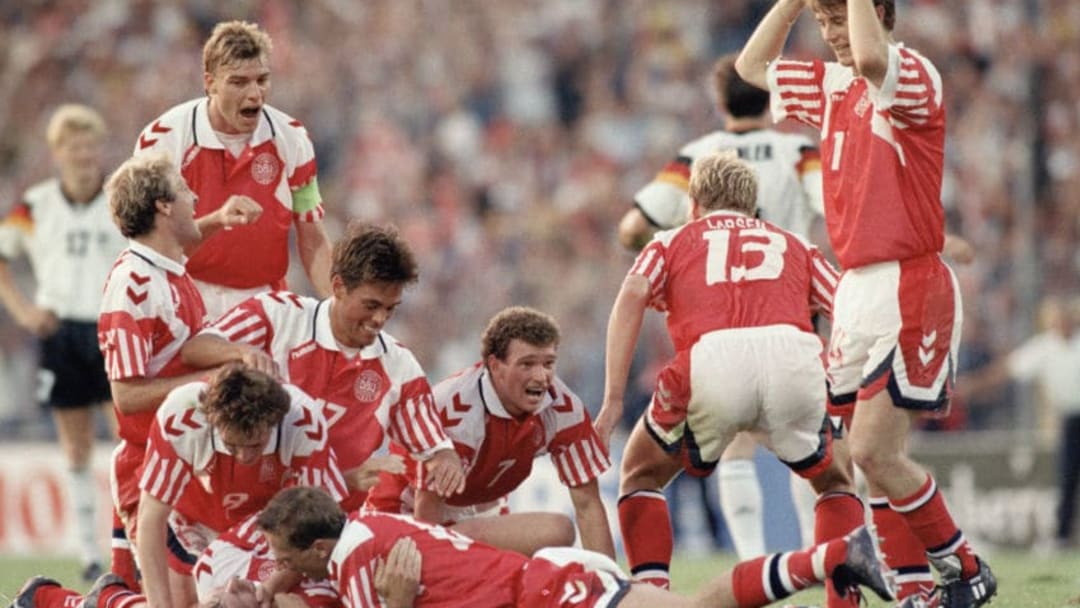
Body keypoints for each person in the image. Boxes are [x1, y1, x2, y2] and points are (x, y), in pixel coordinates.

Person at [735, 1, 997, 606]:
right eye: (823, 23)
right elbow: (751, 65)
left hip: (909, 280)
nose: (832, 34)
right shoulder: (831, 84)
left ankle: (965, 567)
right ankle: (911, 590)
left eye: (842, 17)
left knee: (876, 450)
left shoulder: (911, 73)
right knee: (859, 458)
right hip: (855, 288)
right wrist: (794, 4)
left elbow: (874, 55)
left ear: (878, 12)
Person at [596, 153, 864, 607]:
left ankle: (652, 597)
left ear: (695, 203)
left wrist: (614, 400)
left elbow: (634, 294)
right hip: (793, 355)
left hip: (711, 359)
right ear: (753, 206)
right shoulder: (793, 243)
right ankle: (844, 602)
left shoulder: (671, 241)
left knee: (640, 475)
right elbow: (849, 307)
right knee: (837, 483)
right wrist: (846, 388)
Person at [616, 53, 825, 559]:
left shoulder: (698, 155)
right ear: (771, 99)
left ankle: (753, 563)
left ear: (719, 100)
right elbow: (832, 207)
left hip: (718, 320)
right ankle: (814, 559)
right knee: (812, 446)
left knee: (735, 439)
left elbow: (631, 228)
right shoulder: (798, 149)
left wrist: (678, 245)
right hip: (792, 301)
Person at [180, 221, 466, 512]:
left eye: (390, 308)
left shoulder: (399, 366)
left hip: (320, 527)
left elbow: (435, 446)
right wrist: (240, 351)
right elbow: (194, 349)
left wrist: (446, 461)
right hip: (231, 509)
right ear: (338, 286)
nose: (380, 319)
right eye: (371, 305)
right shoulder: (277, 314)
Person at [256, 486, 894, 608]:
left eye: (286, 556)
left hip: (543, 597)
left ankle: (834, 559)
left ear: (317, 546)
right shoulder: (370, 528)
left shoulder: (357, 563)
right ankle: (830, 560)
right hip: (551, 584)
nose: (283, 568)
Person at [97, 153, 255, 589]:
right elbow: (125, 396)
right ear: (163, 206)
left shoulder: (168, 269)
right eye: (185, 189)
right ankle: (49, 600)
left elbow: (183, 240)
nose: (195, 197)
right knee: (192, 595)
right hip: (147, 465)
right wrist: (207, 382)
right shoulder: (131, 287)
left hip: (182, 460)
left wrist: (220, 220)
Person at [366, 306, 616, 558]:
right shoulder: (455, 412)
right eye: (527, 364)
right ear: (495, 365)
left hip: (476, 513)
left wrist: (615, 584)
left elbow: (588, 503)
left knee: (558, 532)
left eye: (548, 363)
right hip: (405, 514)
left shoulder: (564, 410)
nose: (541, 377)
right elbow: (427, 510)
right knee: (552, 533)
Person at [0, 104, 126, 581]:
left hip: (111, 330)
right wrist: (24, 311)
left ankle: (126, 539)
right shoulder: (34, 205)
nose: (83, 154)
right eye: (73, 146)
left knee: (125, 441)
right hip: (60, 333)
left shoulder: (119, 197)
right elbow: (2, 257)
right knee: (74, 446)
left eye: (90, 144)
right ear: (57, 153)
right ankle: (86, 550)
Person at [133, 20, 331, 319]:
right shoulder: (163, 140)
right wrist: (218, 219)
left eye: (262, 80)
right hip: (185, 295)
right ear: (210, 82)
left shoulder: (294, 139)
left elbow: (312, 239)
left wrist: (338, 307)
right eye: (238, 82)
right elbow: (149, 242)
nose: (254, 94)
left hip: (265, 301)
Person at [961, 296, 1080, 552]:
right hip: (1070, 420)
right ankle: (1061, 538)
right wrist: (971, 386)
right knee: (1067, 478)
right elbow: (1008, 369)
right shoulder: (1045, 347)